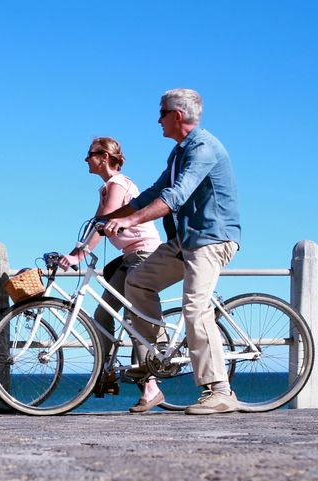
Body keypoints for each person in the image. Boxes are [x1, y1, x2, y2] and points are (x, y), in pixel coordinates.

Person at [102, 88, 241, 415]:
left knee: (195, 308)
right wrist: (110, 218)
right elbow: (155, 190)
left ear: (177, 116)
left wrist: (132, 220)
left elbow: (175, 196)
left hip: (212, 239)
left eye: (162, 113)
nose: (158, 119)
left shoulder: (204, 148)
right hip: (186, 240)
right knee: (137, 282)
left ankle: (220, 390)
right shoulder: (179, 152)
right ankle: (157, 355)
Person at [57, 137, 165, 414]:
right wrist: (72, 252)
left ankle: (150, 385)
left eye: (90, 155)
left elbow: (104, 224)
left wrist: (78, 257)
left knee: (134, 318)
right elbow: (94, 227)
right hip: (128, 257)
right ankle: (104, 373)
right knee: (103, 316)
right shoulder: (106, 188)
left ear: (104, 157)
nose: (86, 160)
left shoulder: (117, 184)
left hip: (142, 254)